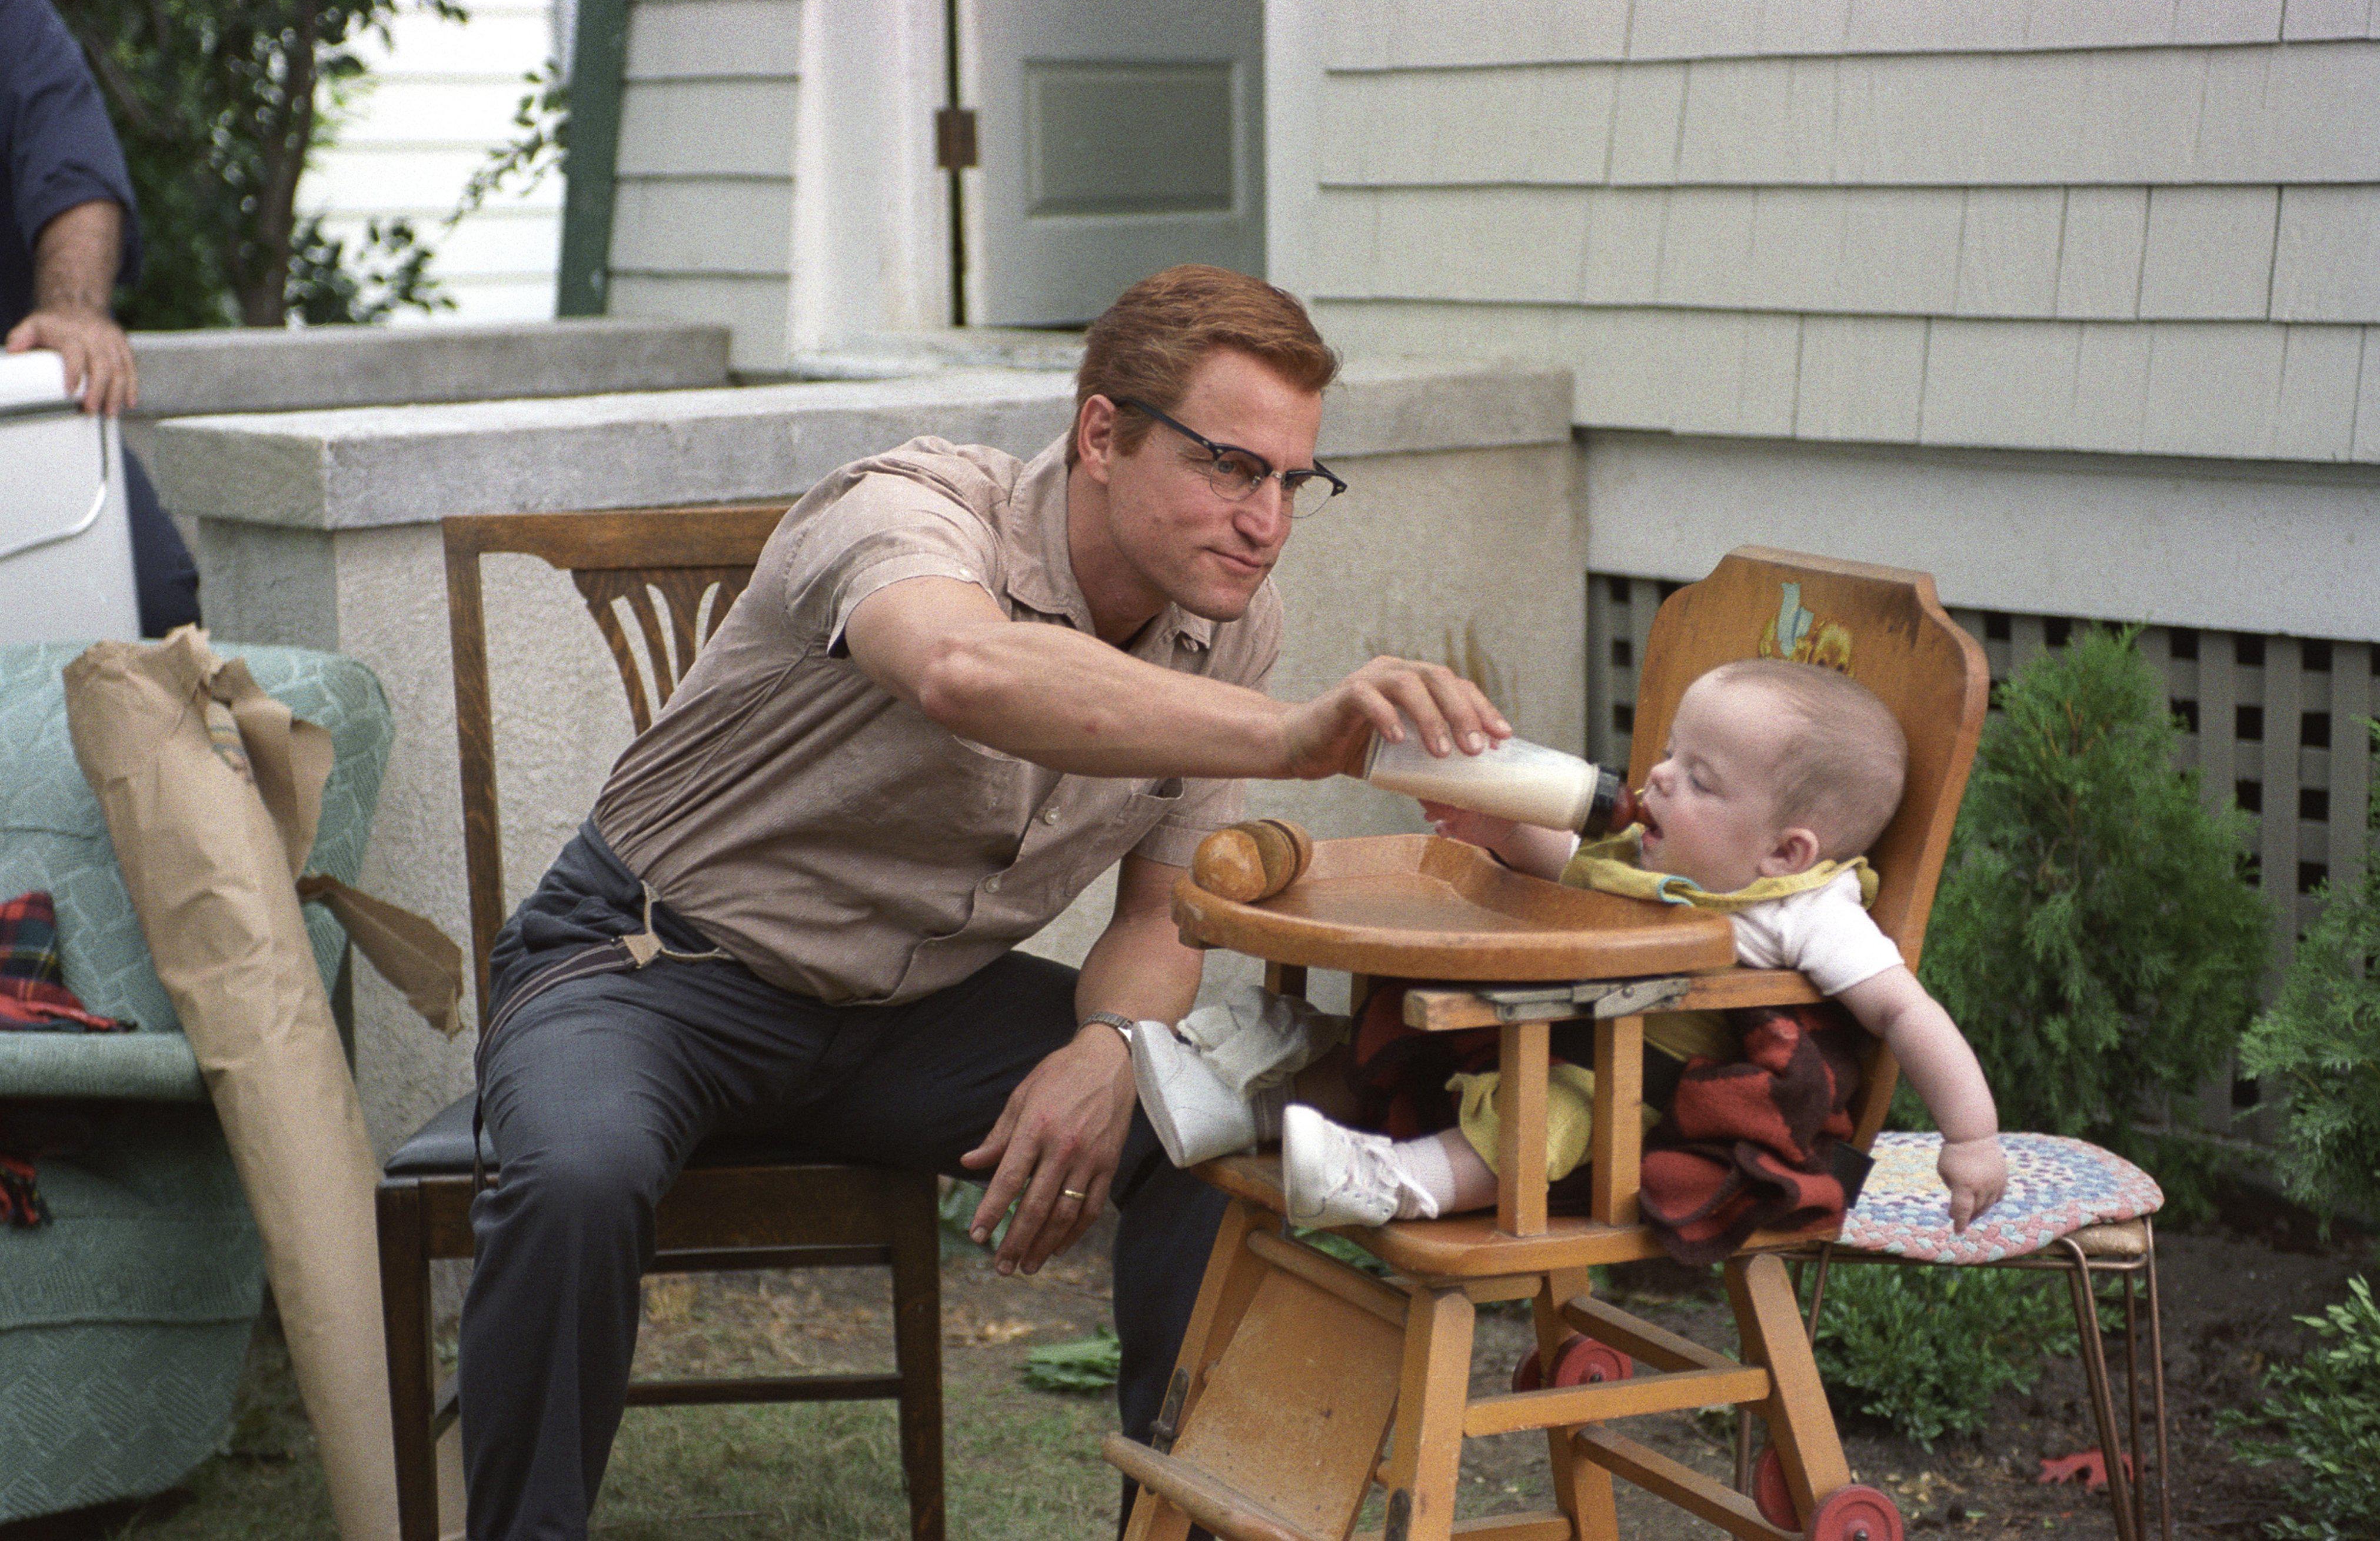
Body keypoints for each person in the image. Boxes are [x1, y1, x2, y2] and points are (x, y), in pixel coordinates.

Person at [456, 264, 1511, 1540]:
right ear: (1103, 434)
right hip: (656, 970)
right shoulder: (905, 511)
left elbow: (1156, 912)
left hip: (909, 1014)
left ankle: (1180, 1529)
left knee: (1219, 1126)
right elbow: (964, 667)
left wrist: (1110, 1046)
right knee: (579, 1172)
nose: (1265, 520)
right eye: (1234, 466)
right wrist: (1298, 737)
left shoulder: (1229, 625)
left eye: (1294, 482)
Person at [1135, 657, 2009, 1234]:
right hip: (1534, 1023)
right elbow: (1565, 869)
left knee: (1550, 1110)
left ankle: (1400, 1181)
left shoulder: (1803, 913)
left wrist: (1970, 1136)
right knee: (1396, 1036)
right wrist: (1493, 828)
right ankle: (1242, 1105)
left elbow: (1903, 1009)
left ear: (1785, 852)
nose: (1659, 775)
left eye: (1699, 779)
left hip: (1629, 1086)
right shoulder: (1649, 852)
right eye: (1669, 752)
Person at [1, 0, 201, 635]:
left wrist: (74, 309)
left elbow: (74, 167)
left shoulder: (7, 3)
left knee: (156, 603)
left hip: (13, 406)